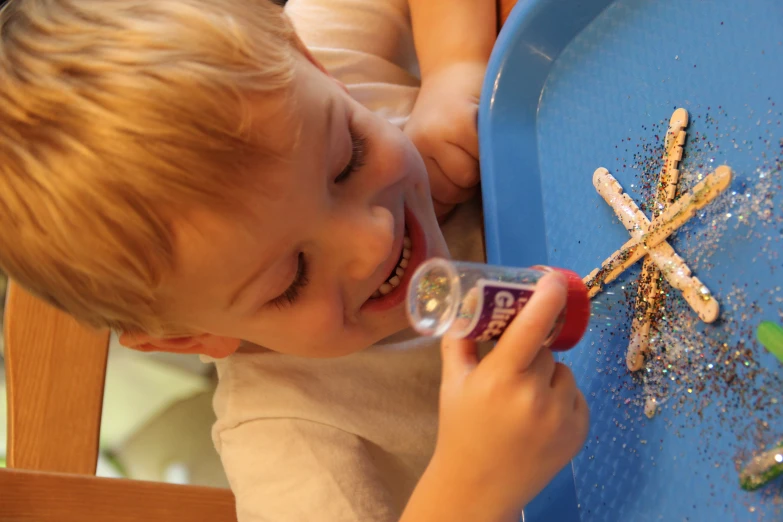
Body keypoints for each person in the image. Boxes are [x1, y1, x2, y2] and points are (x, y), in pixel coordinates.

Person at [0, 0, 589, 520]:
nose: (373, 239)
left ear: (308, 60)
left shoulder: (294, 73)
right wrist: (470, 494)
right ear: (188, 337)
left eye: (346, 160)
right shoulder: (289, 448)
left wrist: (454, 70)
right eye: (292, 277)